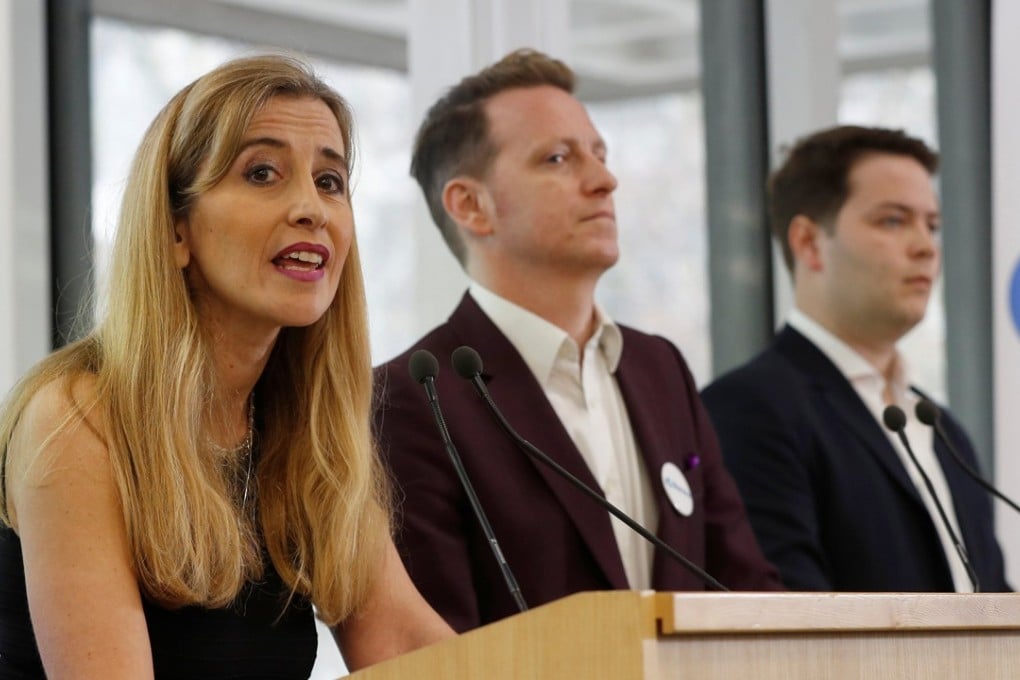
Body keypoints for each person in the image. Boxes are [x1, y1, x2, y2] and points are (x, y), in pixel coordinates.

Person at [0, 54, 453, 678]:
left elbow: (408, 648)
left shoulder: (306, 434)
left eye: (330, 181)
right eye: (262, 172)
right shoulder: (76, 420)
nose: (310, 209)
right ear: (175, 230)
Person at [373, 48, 781, 633]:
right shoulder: (411, 399)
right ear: (471, 206)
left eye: (600, 154)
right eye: (558, 158)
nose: (604, 180)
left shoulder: (659, 367)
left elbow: (744, 588)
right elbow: (437, 649)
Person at [701, 125, 1009, 592]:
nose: (926, 246)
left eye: (932, 224)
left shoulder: (943, 431)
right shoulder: (750, 409)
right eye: (893, 220)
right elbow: (790, 622)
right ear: (808, 243)